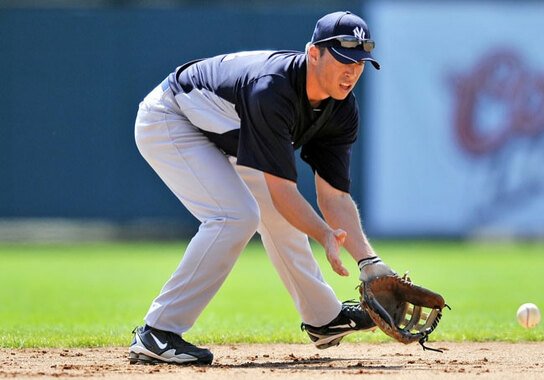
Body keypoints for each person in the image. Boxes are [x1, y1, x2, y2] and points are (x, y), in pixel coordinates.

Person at [129, 11, 395, 365]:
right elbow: (283, 193)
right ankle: (158, 331)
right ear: (313, 54)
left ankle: (324, 320)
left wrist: (368, 262)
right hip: (170, 117)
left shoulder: (341, 108)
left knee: (279, 219)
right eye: (344, 59)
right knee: (235, 216)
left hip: (227, 133)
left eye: (360, 62)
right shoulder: (273, 89)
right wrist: (325, 235)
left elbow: (334, 195)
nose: (352, 71)